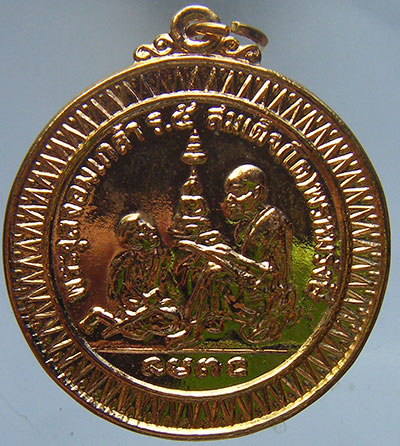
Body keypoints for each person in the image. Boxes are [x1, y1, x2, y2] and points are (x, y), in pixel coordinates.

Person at [80, 212, 186, 343]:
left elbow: (172, 290)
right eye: (143, 229)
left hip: (156, 310)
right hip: (134, 313)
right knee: (141, 331)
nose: (152, 230)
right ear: (133, 241)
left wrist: (166, 300)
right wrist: (140, 303)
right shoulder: (123, 265)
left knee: (172, 319)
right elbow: (117, 295)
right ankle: (99, 317)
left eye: (148, 227)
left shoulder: (164, 259)